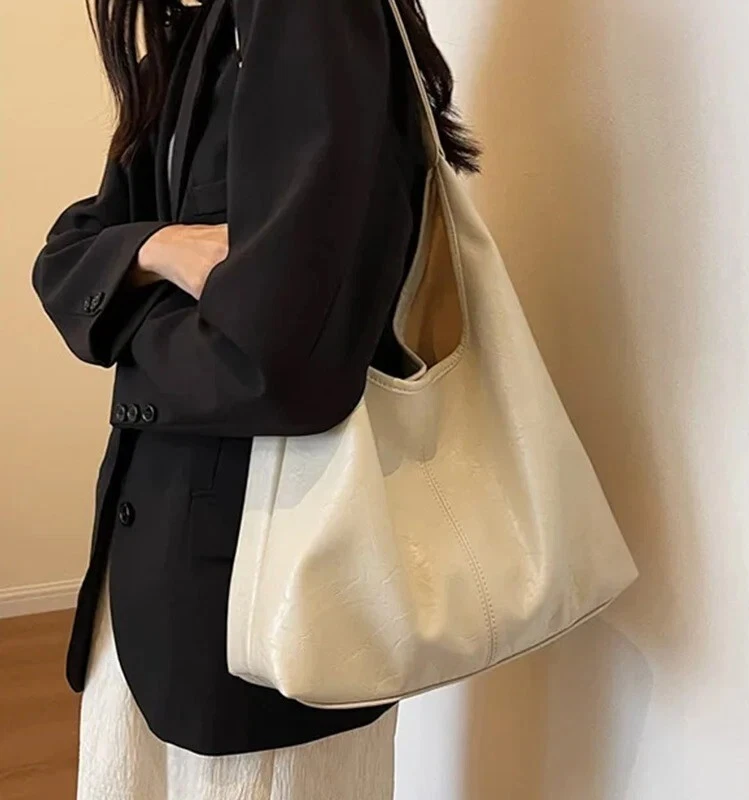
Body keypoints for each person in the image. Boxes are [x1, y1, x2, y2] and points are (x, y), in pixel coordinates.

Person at [32, 0, 480, 797]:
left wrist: (131, 312)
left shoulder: (310, 18)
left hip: (263, 601)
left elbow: (276, 359)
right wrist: (158, 246)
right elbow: (65, 260)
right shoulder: (193, 43)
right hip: (156, 584)